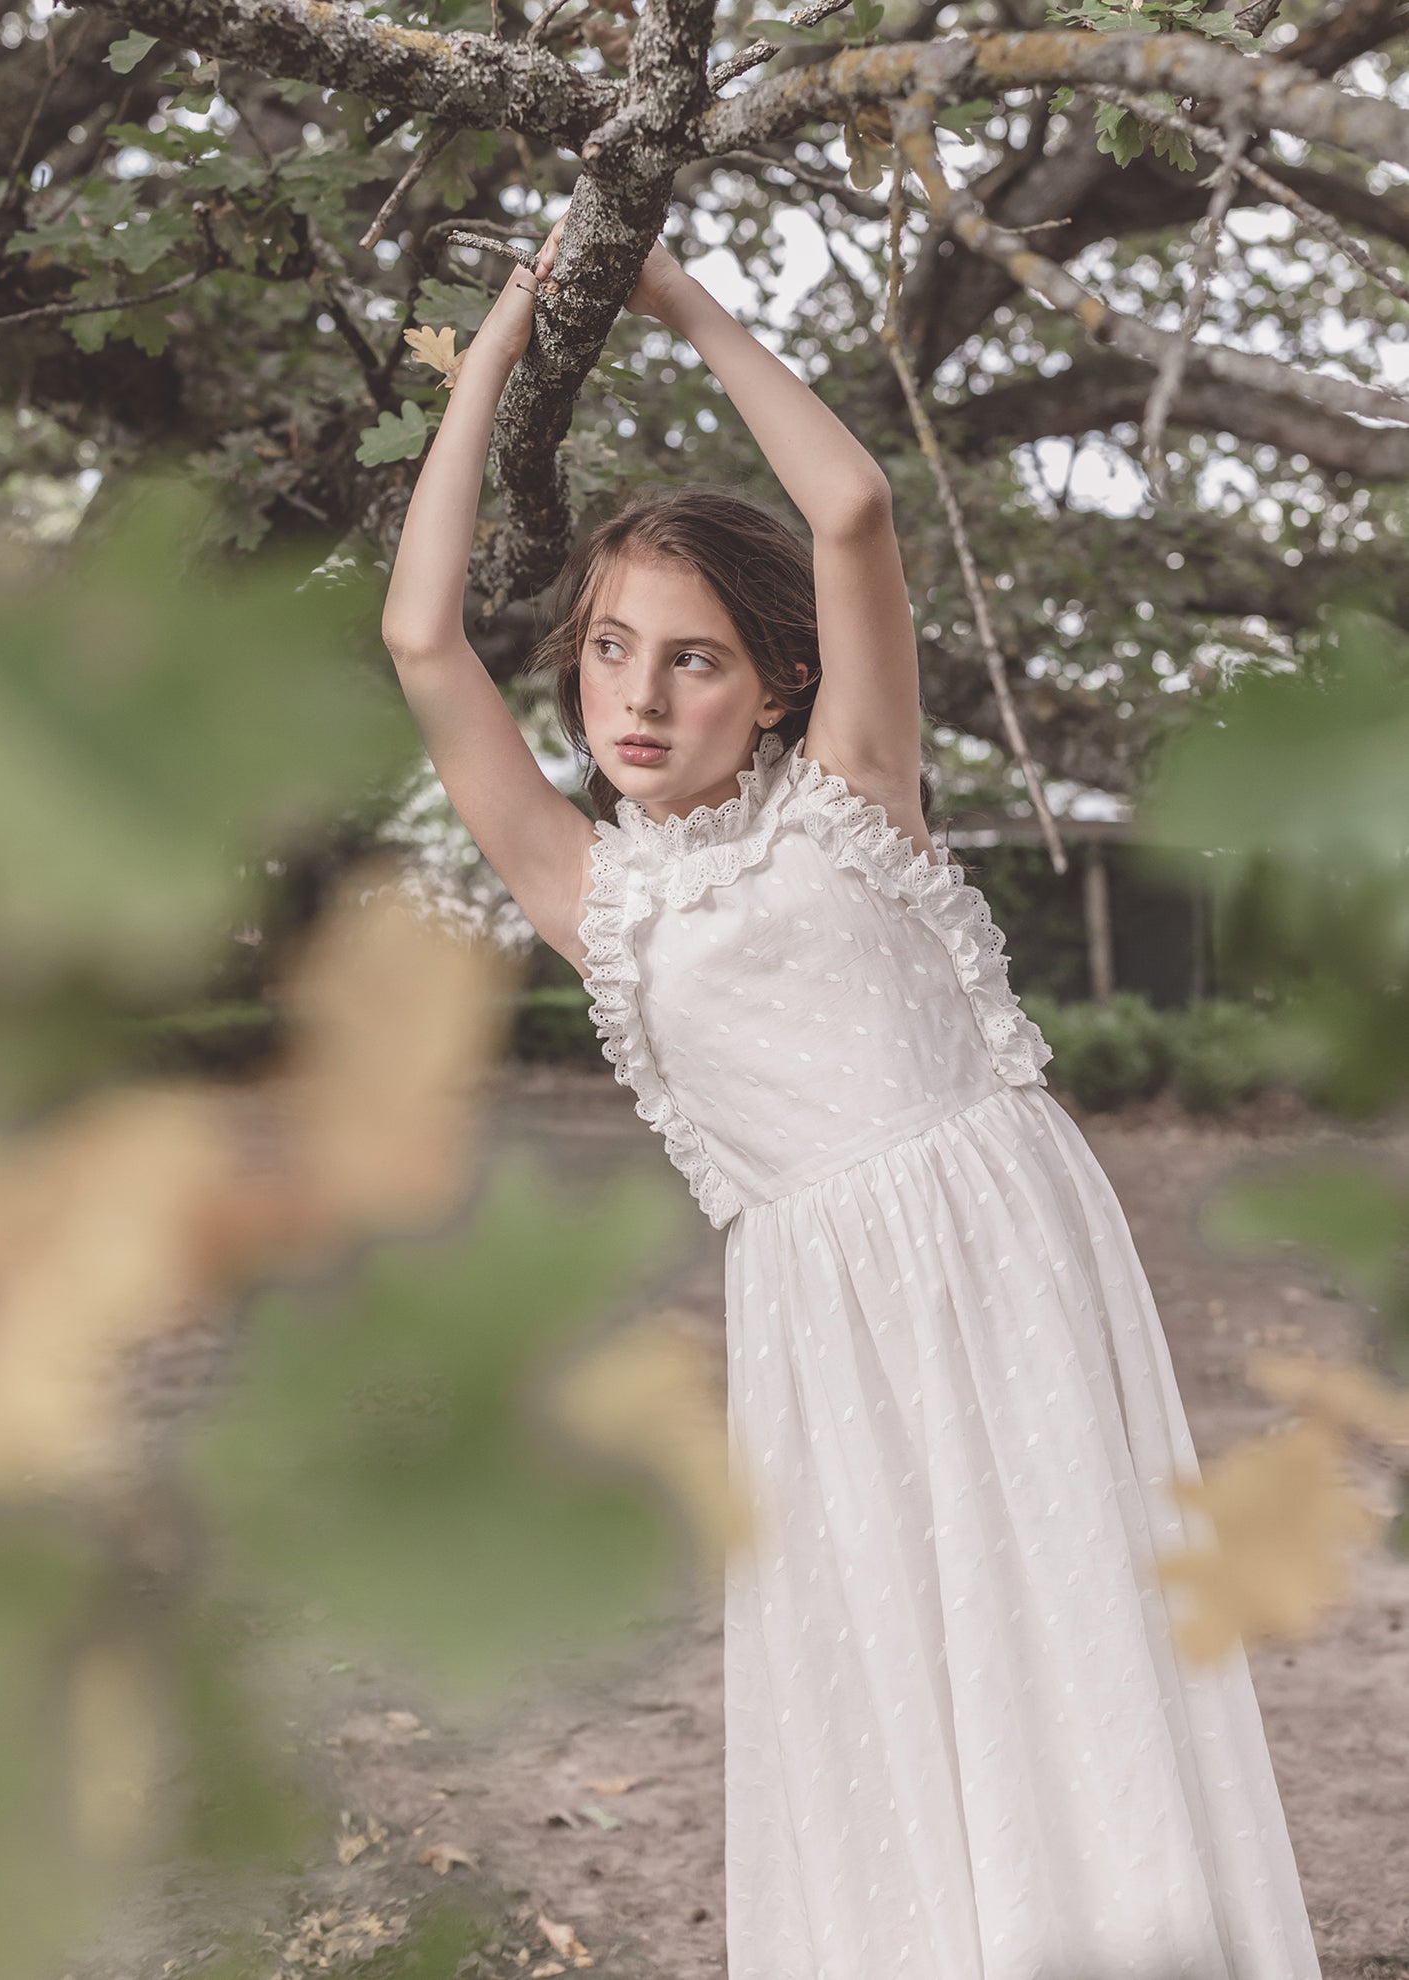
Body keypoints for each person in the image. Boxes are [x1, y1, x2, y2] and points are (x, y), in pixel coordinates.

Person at [381, 216, 1323, 1980]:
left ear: (780, 684)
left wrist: (677, 299)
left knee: (1058, 1622)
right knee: (884, 1654)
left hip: (998, 1250)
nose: (637, 695)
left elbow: (853, 511)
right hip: (815, 1317)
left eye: (693, 658)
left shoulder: (854, 796)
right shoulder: (592, 894)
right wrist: (503, 336)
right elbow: (422, 638)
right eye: (609, 649)